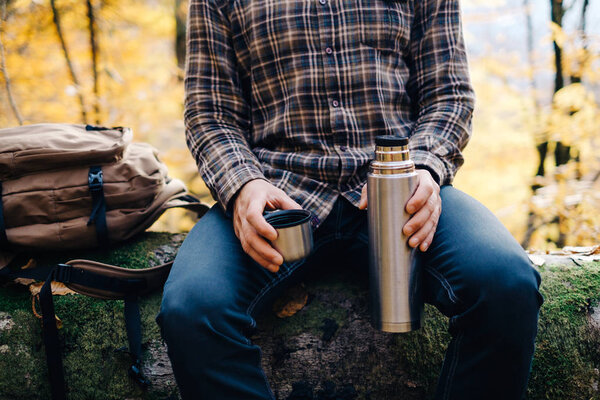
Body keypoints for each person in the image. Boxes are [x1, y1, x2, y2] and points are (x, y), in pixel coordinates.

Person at [157, 0, 543, 398]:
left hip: (400, 189)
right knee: (193, 310)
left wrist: (426, 168)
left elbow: (449, 95)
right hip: (276, 198)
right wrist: (241, 186)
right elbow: (209, 113)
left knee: (507, 284)